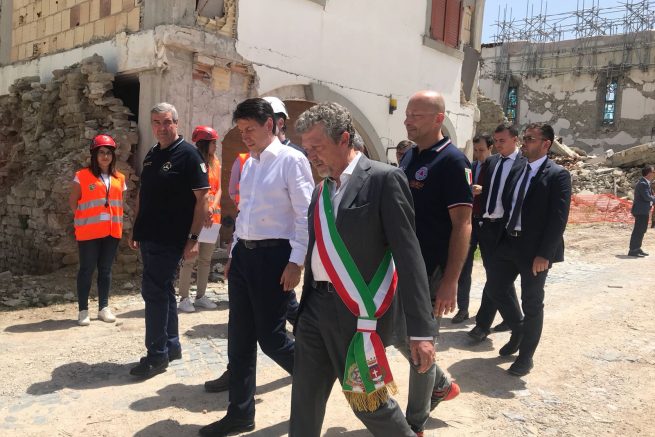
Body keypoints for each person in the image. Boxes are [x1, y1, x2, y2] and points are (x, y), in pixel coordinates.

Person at [289, 101, 437, 437]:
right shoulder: (321, 190)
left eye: (317, 147)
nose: (311, 156)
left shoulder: (384, 179)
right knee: (304, 398)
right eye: (306, 149)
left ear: (344, 139)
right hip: (314, 309)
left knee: (369, 403)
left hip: (355, 313)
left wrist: (421, 331)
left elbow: (409, 256)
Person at [199, 98, 314, 437]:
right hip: (245, 257)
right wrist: (234, 253)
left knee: (272, 338)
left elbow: (305, 215)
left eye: (250, 129)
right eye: (241, 130)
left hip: (275, 257)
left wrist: (296, 261)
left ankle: (316, 375)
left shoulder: (292, 161)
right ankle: (240, 414)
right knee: (240, 339)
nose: (245, 136)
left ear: (270, 125)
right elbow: (245, 214)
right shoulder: (249, 164)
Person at [397, 90, 469, 435]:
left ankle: (415, 423)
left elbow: (463, 224)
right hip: (401, 266)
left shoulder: (452, 162)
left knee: (421, 342)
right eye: (407, 114)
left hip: (431, 270)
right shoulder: (410, 156)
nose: (407, 121)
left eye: (416, 115)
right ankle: (440, 383)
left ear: (439, 118)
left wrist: (450, 281)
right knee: (397, 332)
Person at [128, 102, 210, 379]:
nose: (161, 128)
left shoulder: (189, 155)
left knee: (153, 292)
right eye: (156, 122)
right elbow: (144, 194)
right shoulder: (152, 154)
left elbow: (203, 200)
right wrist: (136, 228)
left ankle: (156, 355)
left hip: (170, 237)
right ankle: (171, 346)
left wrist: (193, 239)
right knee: (162, 290)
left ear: (176, 123)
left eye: (166, 122)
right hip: (149, 235)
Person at [485, 122, 571, 376]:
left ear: (546, 144)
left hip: (535, 251)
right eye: (525, 137)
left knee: (531, 302)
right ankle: (519, 329)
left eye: (531, 139)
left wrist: (545, 254)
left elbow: (558, 219)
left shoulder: (557, 175)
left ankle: (526, 357)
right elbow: (508, 203)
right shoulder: (519, 168)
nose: (524, 142)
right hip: (509, 241)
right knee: (495, 288)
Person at [467, 124, 527, 340]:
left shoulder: (524, 164)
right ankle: (513, 319)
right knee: (498, 277)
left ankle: (483, 325)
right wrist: (482, 192)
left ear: (515, 140)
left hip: (506, 228)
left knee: (495, 278)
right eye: (496, 141)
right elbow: (494, 190)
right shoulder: (492, 162)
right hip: (487, 226)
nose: (498, 145)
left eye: (502, 141)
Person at [69, 134, 126, 326]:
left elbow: (119, 204)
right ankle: (83, 311)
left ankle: (103, 308)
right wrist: (84, 219)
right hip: (88, 232)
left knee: (106, 270)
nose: (105, 156)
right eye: (101, 152)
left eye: (108, 153)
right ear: (94, 155)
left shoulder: (120, 178)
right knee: (86, 269)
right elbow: (73, 202)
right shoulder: (82, 176)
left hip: (111, 231)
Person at [177, 126, 222, 312]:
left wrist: (211, 208)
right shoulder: (191, 161)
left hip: (213, 218)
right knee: (189, 258)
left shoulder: (215, 162)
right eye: (213, 143)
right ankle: (184, 298)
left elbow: (219, 189)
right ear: (204, 144)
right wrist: (203, 213)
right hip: (196, 219)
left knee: (205, 259)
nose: (216, 146)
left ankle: (201, 296)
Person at [452, 133, 493, 323]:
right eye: (475, 150)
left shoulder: (496, 168)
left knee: (492, 269)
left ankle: (490, 310)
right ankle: (463, 309)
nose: (478, 154)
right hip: (471, 222)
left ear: (490, 148)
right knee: (464, 267)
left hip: (489, 224)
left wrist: (484, 190)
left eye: (481, 150)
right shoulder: (472, 167)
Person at [628, 165, 655, 256]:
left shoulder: (646, 183)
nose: (654, 174)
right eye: (653, 172)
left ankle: (637, 248)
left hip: (643, 211)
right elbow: (647, 197)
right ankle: (633, 250)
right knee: (638, 230)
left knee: (642, 230)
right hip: (640, 211)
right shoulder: (643, 183)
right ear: (649, 173)